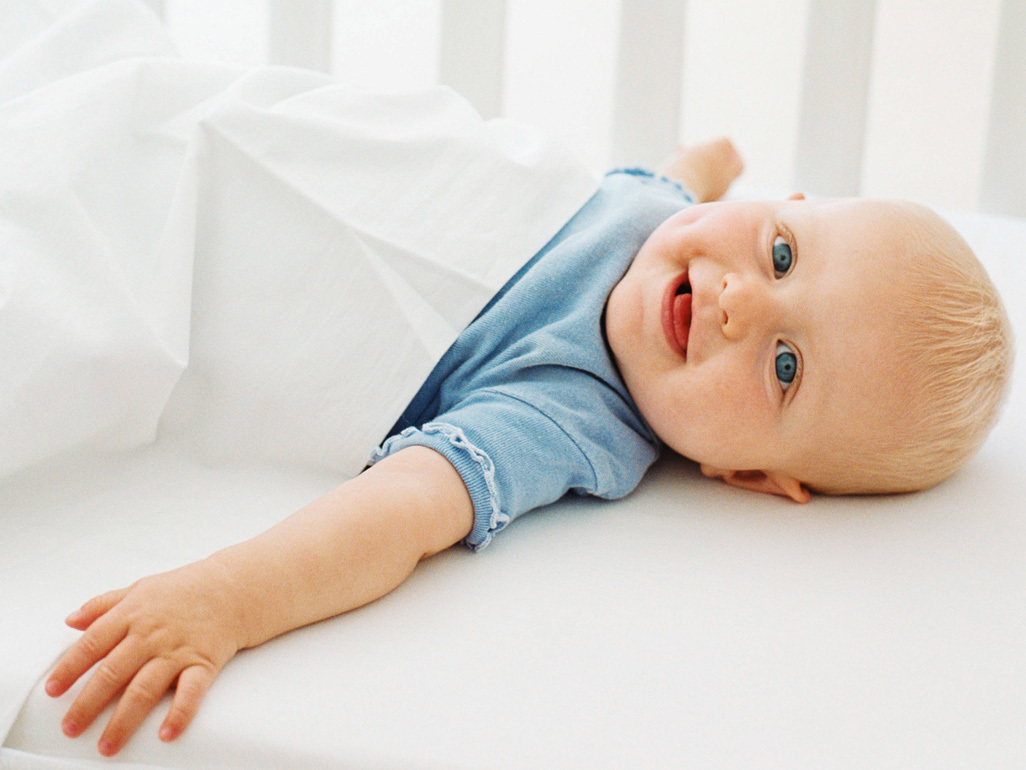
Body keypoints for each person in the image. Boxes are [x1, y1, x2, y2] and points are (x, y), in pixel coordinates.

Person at [43, 137, 1013, 758]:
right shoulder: (648, 208)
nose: (740, 300)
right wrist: (715, 163)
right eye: (785, 252)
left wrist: (225, 597)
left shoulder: (575, 412)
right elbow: (685, 174)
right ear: (787, 203)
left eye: (787, 365)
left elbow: (402, 512)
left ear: (751, 473)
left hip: (185, 255)